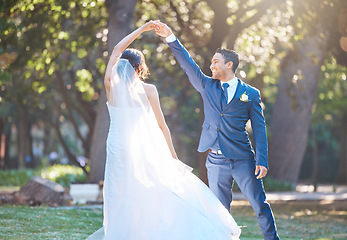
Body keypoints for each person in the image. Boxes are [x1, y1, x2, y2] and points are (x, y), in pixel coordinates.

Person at [86, 21, 241, 240]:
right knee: (151, 190)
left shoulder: (110, 84)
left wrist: (141, 29)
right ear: (140, 68)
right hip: (140, 148)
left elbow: (116, 49)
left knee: (119, 191)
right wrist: (172, 156)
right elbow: (162, 126)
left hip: (117, 147)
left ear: (120, 66)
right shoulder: (149, 90)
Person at [154, 21, 280, 240]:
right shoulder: (206, 86)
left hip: (243, 159)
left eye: (215, 62)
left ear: (229, 65)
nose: (211, 66)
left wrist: (262, 160)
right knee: (220, 212)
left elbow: (259, 129)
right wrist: (170, 37)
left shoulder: (250, 93)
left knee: (260, 204)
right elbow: (187, 64)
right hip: (215, 161)